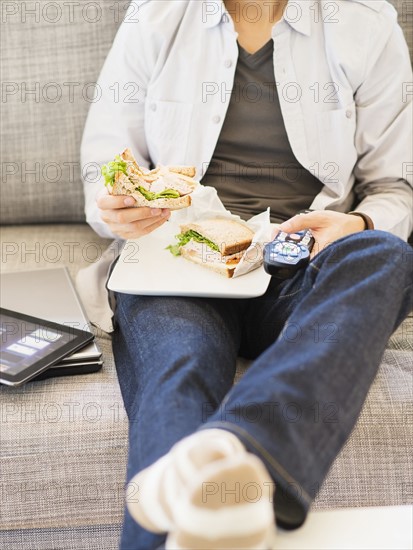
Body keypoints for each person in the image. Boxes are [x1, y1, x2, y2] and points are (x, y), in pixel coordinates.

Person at [80, 0, 413, 548]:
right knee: (180, 367)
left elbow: (395, 190)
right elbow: (104, 173)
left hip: (299, 258)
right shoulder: (156, 17)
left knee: (386, 256)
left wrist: (355, 220)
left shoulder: (366, 23)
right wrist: (113, 206)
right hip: (177, 263)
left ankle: (244, 454)